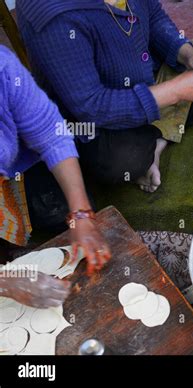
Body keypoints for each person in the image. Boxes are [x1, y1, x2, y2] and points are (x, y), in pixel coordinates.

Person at [17, 0, 193, 193]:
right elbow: (91, 106)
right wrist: (175, 91)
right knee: (121, 161)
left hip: (142, 73)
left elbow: (154, 16)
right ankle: (154, 139)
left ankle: (156, 142)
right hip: (92, 118)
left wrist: (186, 53)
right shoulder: (54, 17)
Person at [0, 45, 111, 308]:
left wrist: (80, 214)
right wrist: (6, 282)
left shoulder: (3, 68)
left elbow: (51, 133)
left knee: (62, 220)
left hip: (16, 171)